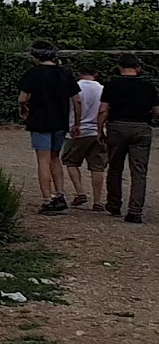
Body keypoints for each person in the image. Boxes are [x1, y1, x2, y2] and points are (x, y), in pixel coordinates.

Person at [16, 41, 76, 214]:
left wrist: (24, 109)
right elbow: (75, 98)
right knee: (55, 157)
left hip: (40, 121)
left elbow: (22, 98)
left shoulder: (33, 74)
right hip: (60, 121)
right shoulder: (65, 74)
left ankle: (47, 199)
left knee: (43, 160)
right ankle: (60, 194)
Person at [99, 53, 159, 224]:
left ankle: (114, 203)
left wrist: (99, 130)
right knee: (139, 171)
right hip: (140, 128)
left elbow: (103, 109)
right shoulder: (148, 86)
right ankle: (135, 211)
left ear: (119, 67)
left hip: (117, 127)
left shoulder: (111, 85)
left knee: (115, 167)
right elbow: (156, 111)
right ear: (138, 68)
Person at [60, 64, 106, 209]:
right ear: (96, 73)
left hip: (78, 130)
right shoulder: (103, 89)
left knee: (71, 162)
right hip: (98, 131)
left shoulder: (75, 88)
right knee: (97, 167)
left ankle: (80, 192)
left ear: (79, 73)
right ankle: (98, 200)